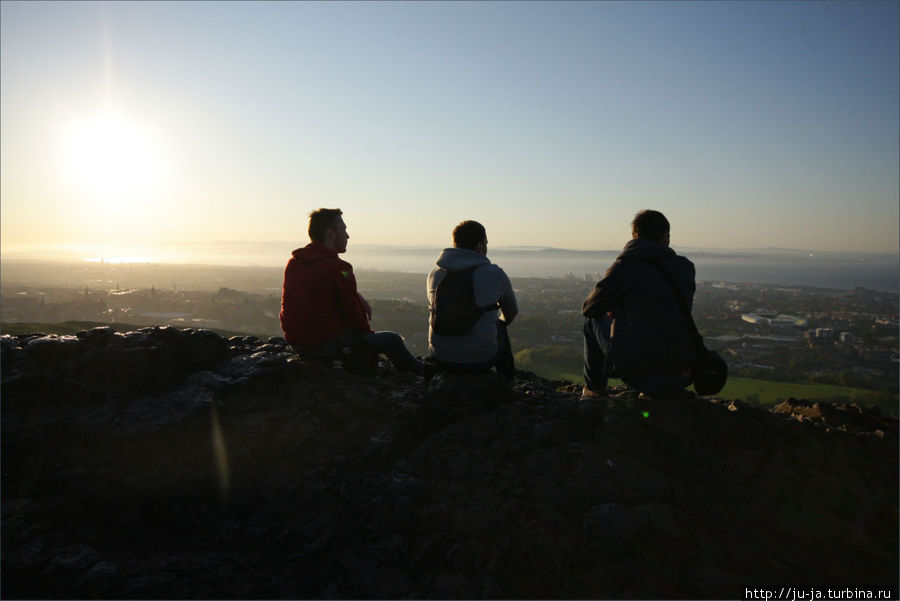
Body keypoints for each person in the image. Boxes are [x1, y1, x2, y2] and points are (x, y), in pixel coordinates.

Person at [280, 208, 428, 376]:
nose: (348, 236)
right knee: (392, 339)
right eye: (343, 229)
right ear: (330, 234)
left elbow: (317, 292)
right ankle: (423, 373)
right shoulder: (340, 268)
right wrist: (366, 337)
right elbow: (356, 318)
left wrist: (357, 296)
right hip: (322, 344)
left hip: (296, 341)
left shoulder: (295, 262)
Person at [581, 209, 696, 397]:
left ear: (634, 237)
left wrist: (616, 307)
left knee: (592, 320)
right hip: (680, 373)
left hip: (638, 373)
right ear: (665, 237)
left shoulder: (626, 266)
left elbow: (589, 308)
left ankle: (593, 392)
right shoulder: (685, 267)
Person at [427, 220, 518, 382]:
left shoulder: (435, 274)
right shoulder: (494, 273)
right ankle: (507, 382)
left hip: (440, 356)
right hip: (481, 360)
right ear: (480, 246)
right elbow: (511, 312)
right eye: (486, 242)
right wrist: (499, 323)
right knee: (500, 324)